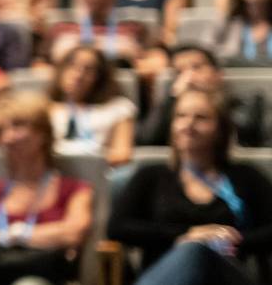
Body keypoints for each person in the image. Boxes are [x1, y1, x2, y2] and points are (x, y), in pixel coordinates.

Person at [111, 88, 272, 284]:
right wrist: (186, 235)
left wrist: (232, 239)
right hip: (166, 273)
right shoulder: (151, 176)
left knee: (198, 251)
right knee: (192, 250)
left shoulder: (246, 177)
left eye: (201, 118)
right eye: (181, 116)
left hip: (225, 273)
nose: (188, 124)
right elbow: (117, 227)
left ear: (220, 129)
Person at [0, 92, 92, 285]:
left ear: (43, 133)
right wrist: (40, 236)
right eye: (0, 131)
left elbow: (73, 233)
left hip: (42, 273)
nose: (8, 137)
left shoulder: (74, 189)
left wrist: (12, 234)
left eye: (18, 126)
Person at [139, 45, 267, 148]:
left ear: (218, 74)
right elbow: (148, 140)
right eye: (180, 72)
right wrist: (173, 98)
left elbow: (248, 136)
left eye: (196, 67)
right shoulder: (170, 108)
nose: (188, 77)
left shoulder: (247, 103)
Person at [48, 46, 136, 166]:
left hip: (100, 172)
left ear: (99, 77)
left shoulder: (119, 108)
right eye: (72, 65)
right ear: (61, 70)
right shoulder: (45, 108)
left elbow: (122, 153)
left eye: (88, 69)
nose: (78, 74)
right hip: (55, 174)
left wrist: (87, 164)